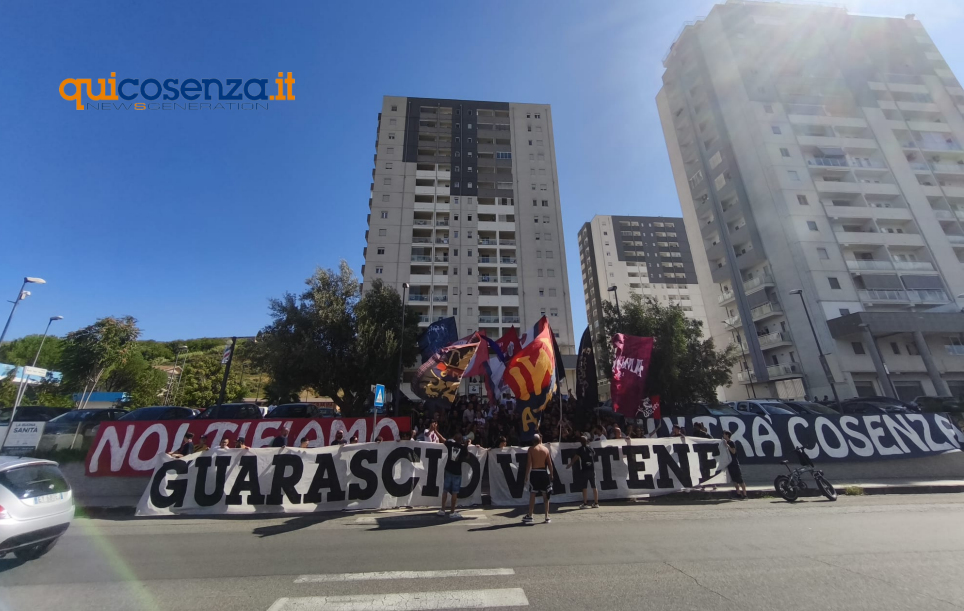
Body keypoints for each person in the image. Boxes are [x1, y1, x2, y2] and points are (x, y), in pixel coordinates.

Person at [523, 434, 553, 524]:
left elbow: (529, 463)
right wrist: (551, 474)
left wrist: (526, 475)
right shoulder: (545, 449)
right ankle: (547, 516)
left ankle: (530, 515)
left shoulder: (531, 449)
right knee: (545, 494)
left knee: (533, 494)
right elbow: (550, 463)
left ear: (533, 441)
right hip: (543, 472)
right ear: (540, 440)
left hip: (535, 472)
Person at [437, 431, 468, 518]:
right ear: (461, 439)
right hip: (457, 472)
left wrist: (435, 430)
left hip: (448, 470)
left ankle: (442, 509)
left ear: (454, 438)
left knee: (445, 490)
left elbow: (442, 439)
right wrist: (466, 445)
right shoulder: (462, 448)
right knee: (455, 492)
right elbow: (467, 456)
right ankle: (452, 512)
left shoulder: (450, 444)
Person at [566, 436, 598, 509]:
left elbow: (575, 458)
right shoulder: (591, 448)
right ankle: (596, 503)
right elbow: (594, 455)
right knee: (594, 486)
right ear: (587, 441)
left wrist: (570, 464)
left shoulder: (580, 450)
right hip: (592, 469)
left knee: (584, 487)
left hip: (584, 469)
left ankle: (585, 503)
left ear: (580, 442)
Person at [722, 431, 747, 500]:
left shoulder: (731, 442)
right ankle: (738, 493)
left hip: (734, 463)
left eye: (724, 434)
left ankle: (745, 495)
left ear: (727, 435)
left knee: (740, 479)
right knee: (734, 480)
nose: (723, 435)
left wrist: (727, 446)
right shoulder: (724, 443)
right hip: (729, 464)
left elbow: (733, 451)